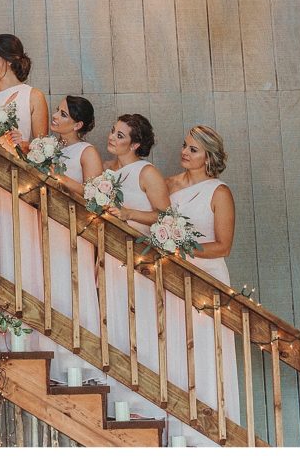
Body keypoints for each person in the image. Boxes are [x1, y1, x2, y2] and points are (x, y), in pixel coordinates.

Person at [164, 125, 240, 446]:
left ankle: (212, 436)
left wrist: (181, 245)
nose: (184, 152)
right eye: (185, 145)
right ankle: (177, 432)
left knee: (208, 348)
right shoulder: (168, 184)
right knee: (174, 345)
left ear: (208, 156)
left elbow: (223, 245)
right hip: (171, 275)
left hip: (208, 276)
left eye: (193, 149)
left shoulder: (219, 192)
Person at [0, 34, 48, 350]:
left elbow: (44, 150)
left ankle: (23, 335)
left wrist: (24, 144)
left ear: (10, 59)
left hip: (19, 189)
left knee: (19, 252)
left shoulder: (33, 96)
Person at [100, 113, 171, 420]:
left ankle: (145, 405)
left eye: (120, 135)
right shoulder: (105, 170)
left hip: (138, 259)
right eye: (112, 131)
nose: (112, 137)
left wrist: (128, 214)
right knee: (113, 326)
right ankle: (118, 401)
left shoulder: (146, 172)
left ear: (136, 144)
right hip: (107, 255)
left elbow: (165, 216)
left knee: (138, 328)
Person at [43, 96, 103, 382]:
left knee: (74, 287)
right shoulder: (50, 148)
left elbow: (96, 196)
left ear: (78, 125)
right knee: (53, 288)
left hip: (75, 229)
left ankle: (81, 362)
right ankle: (54, 359)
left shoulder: (86, 152)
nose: (55, 116)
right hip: (48, 227)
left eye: (63, 114)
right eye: (57, 110)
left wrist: (61, 179)